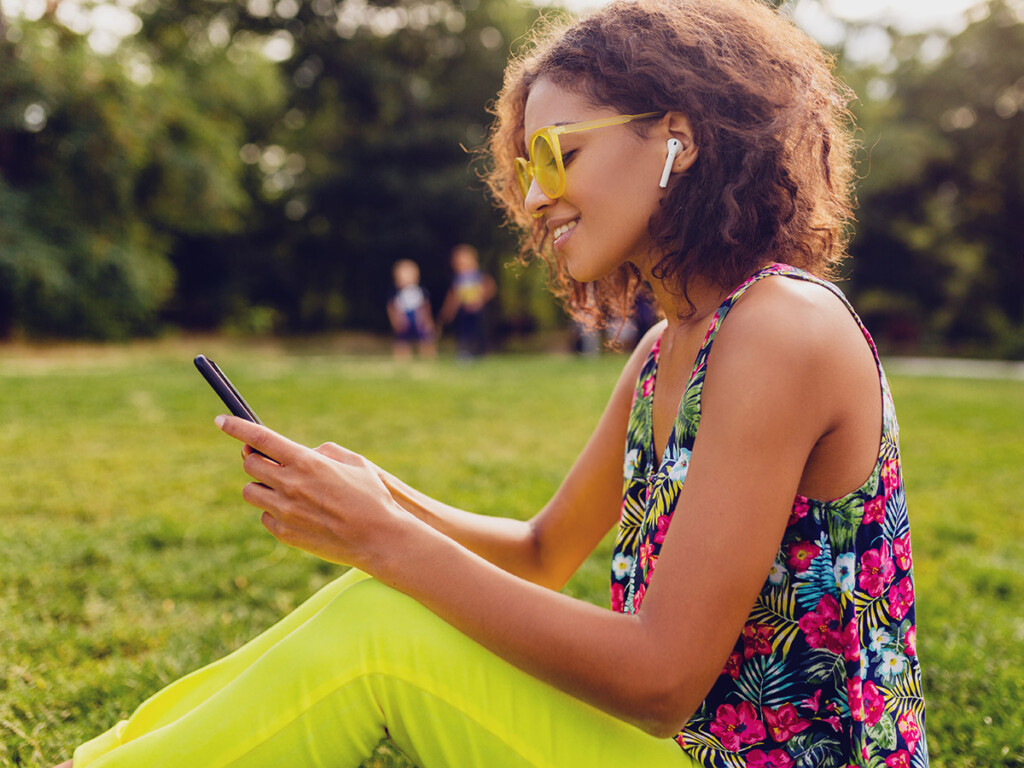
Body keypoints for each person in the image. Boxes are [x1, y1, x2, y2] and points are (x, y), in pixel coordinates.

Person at [54, 0, 928, 766]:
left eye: (557, 154)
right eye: (524, 168)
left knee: (380, 631)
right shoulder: (668, 349)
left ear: (679, 138)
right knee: (373, 597)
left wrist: (387, 540)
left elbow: (661, 680)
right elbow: (543, 552)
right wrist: (383, 501)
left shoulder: (780, 328)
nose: (535, 198)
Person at [438, 243, 497, 358]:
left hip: (478, 309)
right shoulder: (457, 278)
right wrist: (449, 311)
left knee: (479, 330)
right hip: (463, 310)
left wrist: (480, 300)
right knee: (464, 331)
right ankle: (465, 351)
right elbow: (454, 296)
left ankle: (481, 351)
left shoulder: (479, 275)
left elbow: (491, 288)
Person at [386, 259, 437, 360]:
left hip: (419, 321)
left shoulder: (421, 291)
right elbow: (391, 308)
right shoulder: (395, 294)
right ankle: (402, 360)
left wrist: (428, 321)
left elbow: (426, 307)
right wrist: (394, 321)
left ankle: (428, 359)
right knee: (402, 342)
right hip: (403, 322)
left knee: (426, 340)